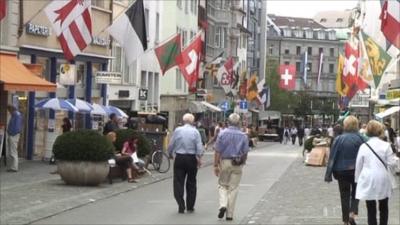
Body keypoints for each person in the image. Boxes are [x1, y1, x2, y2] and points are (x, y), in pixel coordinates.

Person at [355, 120, 399, 225]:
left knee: (370, 207)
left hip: (368, 177)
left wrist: (357, 180)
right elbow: (392, 163)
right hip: (382, 177)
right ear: (380, 131)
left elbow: (358, 165)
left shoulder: (363, 146)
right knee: (384, 206)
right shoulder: (385, 145)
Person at [325, 116, 364, 225]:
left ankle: (345, 220)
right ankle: (352, 213)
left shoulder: (339, 139)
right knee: (356, 193)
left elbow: (333, 157)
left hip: (341, 171)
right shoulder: (361, 139)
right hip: (357, 171)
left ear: (345, 125)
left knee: (344, 195)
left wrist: (328, 174)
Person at [213, 113, 249, 221]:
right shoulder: (243, 136)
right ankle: (229, 214)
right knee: (233, 188)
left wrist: (215, 165)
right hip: (237, 163)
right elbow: (245, 152)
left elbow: (217, 150)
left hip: (225, 162)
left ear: (228, 122)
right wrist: (243, 162)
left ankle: (223, 204)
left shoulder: (222, 134)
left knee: (222, 185)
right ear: (239, 123)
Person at [168, 113, 204, 213]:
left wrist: (170, 153)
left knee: (178, 182)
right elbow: (199, 146)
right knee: (191, 182)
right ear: (192, 121)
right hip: (191, 158)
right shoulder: (195, 132)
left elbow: (171, 144)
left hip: (179, 157)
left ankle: (180, 204)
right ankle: (190, 205)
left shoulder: (178, 130)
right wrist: (199, 157)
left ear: (184, 121)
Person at [6, 105, 23, 172]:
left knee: (13, 151)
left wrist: (11, 133)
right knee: (12, 151)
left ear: (11, 109)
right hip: (13, 135)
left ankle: (14, 167)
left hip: (13, 135)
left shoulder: (16, 115)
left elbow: (17, 127)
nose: (9, 112)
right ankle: (13, 167)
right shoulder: (16, 115)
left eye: (9, 110)